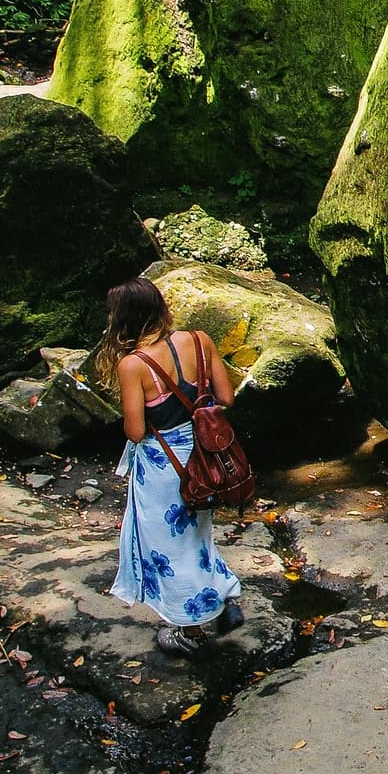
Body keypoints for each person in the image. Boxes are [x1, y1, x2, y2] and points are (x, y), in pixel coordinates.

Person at [94, 277, 247, 657]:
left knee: (170, 548)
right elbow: (225, 396)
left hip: (166, 468)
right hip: (208, 456)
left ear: (123, 319)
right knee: (198, 534)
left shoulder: (133, 365)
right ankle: (225, 600)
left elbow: (134, 430)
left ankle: (190, 634)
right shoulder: (199, 339)